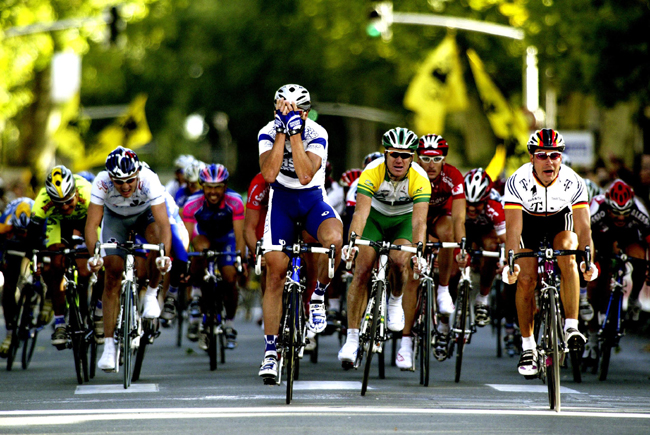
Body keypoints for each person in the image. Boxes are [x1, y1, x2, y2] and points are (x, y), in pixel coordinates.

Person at [257, 84, 343, 381]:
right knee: (275, 270)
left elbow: (306, 174)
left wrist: (296, 133)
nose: (286, 114)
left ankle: (317, 295)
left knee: (334, 240)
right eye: (281, 109)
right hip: (280, 203)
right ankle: (270, 352)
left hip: (311, 201)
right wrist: (282, 132)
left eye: (293, 110)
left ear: (305, 113)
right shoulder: (267, 131)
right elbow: (268, 174)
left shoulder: (317, 133)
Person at [502, 128, 597, 377]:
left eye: (554, 155)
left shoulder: (574, 181)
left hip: (558, 222)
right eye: (542, 155)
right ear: (532, 158)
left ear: (561, 158)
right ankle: (528, 346)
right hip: (528, 224)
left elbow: (584, 228)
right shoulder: (517, 182)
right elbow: (512, 229)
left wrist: (589, 260)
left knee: (568, 249)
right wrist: (509, 263)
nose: (548, 160)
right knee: (525, 279)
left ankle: (571, 327)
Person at [338, 127, 431, 370]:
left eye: (405, 155)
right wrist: (352, 243)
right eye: (394, 154)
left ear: (412, 157)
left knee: (401, 261)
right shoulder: (371, 172)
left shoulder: (420, 178)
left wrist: (419, 251)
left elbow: (420, 221)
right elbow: (360, 213)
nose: (399, 160)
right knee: (362, 270)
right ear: (385, 154)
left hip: (403, 222)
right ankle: (351, 339)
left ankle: (395, 301)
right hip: (374, 220)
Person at [85, 146, 172, 371]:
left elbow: (164, 224)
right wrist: (95, 255)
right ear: (110, 177)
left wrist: (164, 257)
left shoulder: (149, 179)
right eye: (119, 182)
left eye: (130, 181)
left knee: (155, 241)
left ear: (137, 174)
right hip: (115, 219)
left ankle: (152, 293)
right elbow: (92, 224)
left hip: (146, 216)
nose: (125, 186)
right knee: (112, 273)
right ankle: (109, 347)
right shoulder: (102, 181)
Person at [413, 134, 467, 362]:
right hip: (417, 217)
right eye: (425, 158)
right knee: (418, 237)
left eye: (436, 159)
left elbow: (459, 218)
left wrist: (462, 246)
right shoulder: (412, 173)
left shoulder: (453, 176)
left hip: (440, 217)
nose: (431, 164)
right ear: (418, 158)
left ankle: (443, 288)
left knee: (448, 234)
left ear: (444, 158)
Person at [28, 166, 94, 348]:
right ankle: (60, 323)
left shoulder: (87, 191)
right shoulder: (43, 198)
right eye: (59, 202)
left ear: (75, 192)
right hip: (58, 224)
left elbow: (100, 223)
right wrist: (36, 259)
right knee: (56, 264)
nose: (64, 206)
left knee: (89, 266)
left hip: (86, 220)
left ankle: (96, 311)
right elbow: (32, 234)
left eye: (68, 201)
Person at [182, 163, 244, 350]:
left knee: (229, 277)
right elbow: (186, 239)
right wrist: (185, 263)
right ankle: (197, 293)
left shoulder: (236, 201)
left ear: (225, 186)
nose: (213, 191)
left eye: (218, 187)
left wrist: (240, 259)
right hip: (203, 237)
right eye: (209, 186)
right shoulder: (192, 203)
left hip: (227, 238)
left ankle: (230, 325)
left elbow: (240, 235)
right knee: (199, 249)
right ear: (202, 186)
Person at [585, 180, 650, 354]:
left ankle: (634, 298)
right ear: (608, 207)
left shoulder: (638, 207)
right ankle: (591, 337)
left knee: (640, 257)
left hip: (629, 238)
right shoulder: (597, 206)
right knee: (594, 284)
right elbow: (584, 236)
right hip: (601, 240)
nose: (621, 217)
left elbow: (649, 237)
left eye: (625, 213)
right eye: (616, 213)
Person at [463, 168, 506, 326]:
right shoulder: (456, 200)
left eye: (477, 204)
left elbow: (505, 238)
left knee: (492, 248)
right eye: (468, 203)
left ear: (486, 200)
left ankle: (483, 298)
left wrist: (505, 259)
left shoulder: (495, 204)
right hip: (464, 230)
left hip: (486, 232)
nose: (472, 208)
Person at [0, 197, 36, 357]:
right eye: (20, 231)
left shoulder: (39, 218)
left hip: (35, 240)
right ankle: (9, 331)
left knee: (42, 269)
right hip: (11, 243)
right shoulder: (5, 222)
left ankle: (33, 300)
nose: (23, 234)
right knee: (8, 285)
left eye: (25, 231)